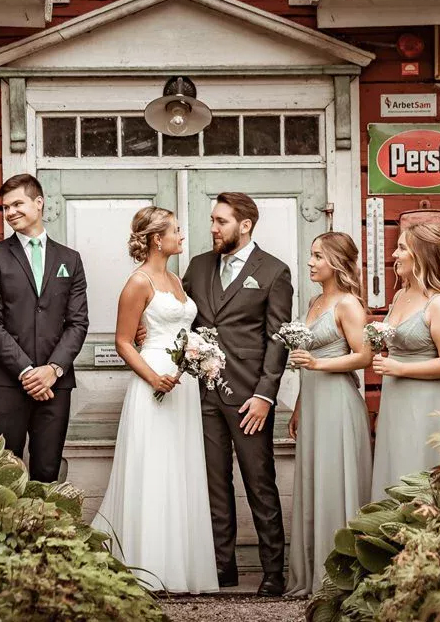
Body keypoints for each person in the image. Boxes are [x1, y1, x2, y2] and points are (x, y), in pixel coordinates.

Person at [92, 207, 218, 594]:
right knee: (153, 468)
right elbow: (123, 341)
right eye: (176, 230)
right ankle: (145, 565)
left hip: (183, 385)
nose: (182, 235)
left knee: (179, 469)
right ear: (156, 239)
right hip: (153, 383)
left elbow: (182, 328)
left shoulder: (176, 280)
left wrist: (199, 356)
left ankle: (179, 567)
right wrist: (152, 378)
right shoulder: (138, 281)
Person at [182, 192, 292, 597]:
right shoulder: (198, 266)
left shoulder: (274, 271)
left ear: (245, 225)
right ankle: (221, 566)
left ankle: (273, 571)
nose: (213, 228)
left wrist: (265, 395)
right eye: (213, 220)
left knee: (260, 483)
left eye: (221, 221)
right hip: (203, 393)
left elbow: (278, 338)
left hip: (249, 397)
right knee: (214, 481)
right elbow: (182, 319)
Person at [0, 174, 88, 482]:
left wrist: (53, 369)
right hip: (8, 383)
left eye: (17, 204)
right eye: (5, 207)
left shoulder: (70, 259)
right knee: (3, 473)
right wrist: (27, 371)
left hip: (56, 384)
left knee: (47, 472)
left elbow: (78, 322)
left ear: (38, 203)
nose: (10, 212)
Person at [286, 232, 372, 596]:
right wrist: (299, 406)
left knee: (335, 480)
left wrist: (318, 363)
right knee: (314, 479)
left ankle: (339, 575)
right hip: (313, 403)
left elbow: (364, 356)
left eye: (318, 256)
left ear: (336, 262)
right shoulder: (314, 302)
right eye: (311, 254)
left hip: (338, 405)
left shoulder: (348, 304)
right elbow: (308, 362)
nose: (311, 262)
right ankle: (314, 570)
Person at [370, 222, 440, 501]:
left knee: (420, 472)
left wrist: (400, 368)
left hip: (428, 405)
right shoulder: (400, 295)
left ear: (420, 255)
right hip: (396, 401)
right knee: (396, 470)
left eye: (401, 248)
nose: (394, 255)